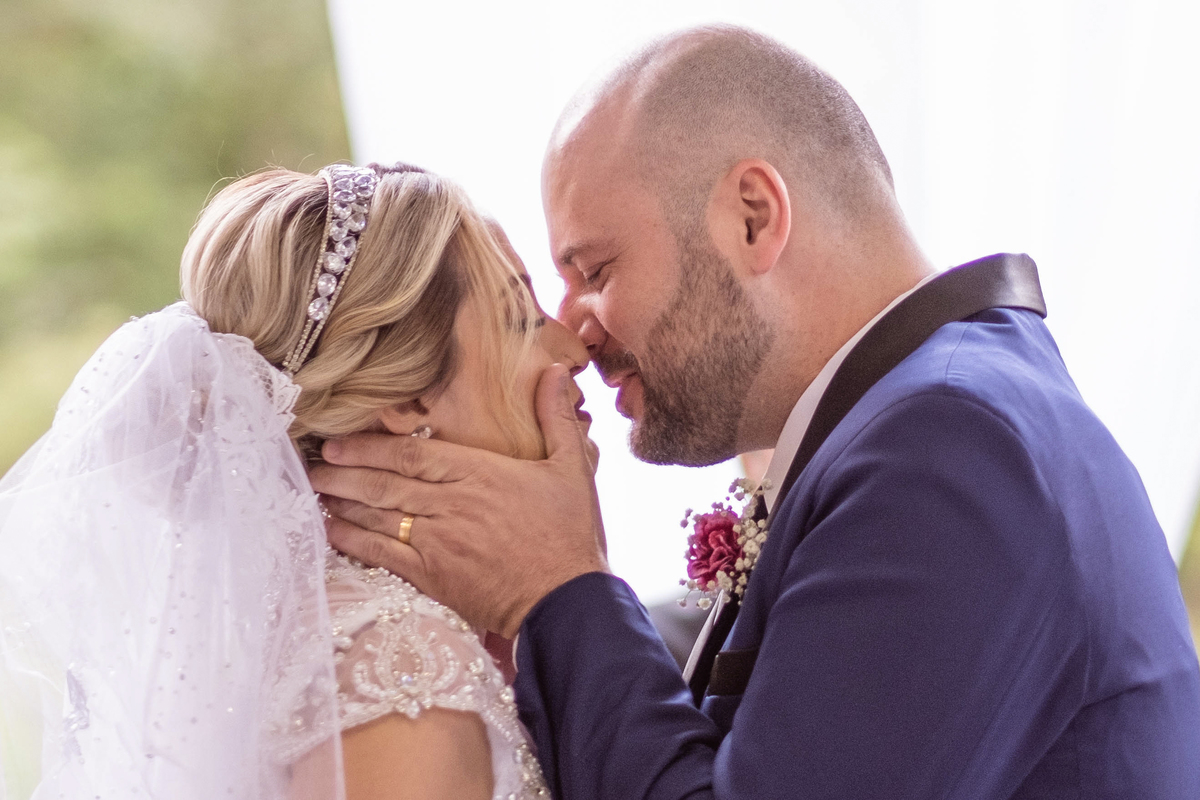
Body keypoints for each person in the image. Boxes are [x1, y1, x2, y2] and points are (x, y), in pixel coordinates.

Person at [313, 25, 1200, 799]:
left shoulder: (958, 453)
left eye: (597, 271)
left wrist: (559, 586)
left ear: (752, 215)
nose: (576, 335)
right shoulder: (939, 416)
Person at [0, 162, 578, 799]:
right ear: (409, 399)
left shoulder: (289, 632)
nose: (573, 348)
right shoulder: (398, 662)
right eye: (521, 318)